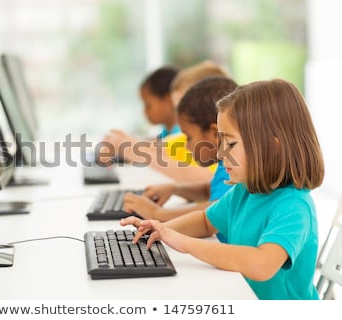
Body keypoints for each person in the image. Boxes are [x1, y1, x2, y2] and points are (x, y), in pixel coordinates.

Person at [121, 79, 325, 300]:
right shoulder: (244, 191)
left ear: (272, 147)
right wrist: (161, 230)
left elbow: (261, 264)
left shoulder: (293, 207)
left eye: (231, 144)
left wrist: (184, 243)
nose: (219, 154)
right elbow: (205, 221)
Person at [123, 77, 238, 224]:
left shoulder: (231, 166)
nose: (186, 145)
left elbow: (216, 209)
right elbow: (209, 190)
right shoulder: (225, 164)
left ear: (215, 134)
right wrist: (175, 188)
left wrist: (158, 213)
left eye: (189, 137)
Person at [101, 60, 230, 183]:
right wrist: (125, 143)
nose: (179, 117)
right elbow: (162, 148)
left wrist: (129, 148)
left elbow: (207, 180)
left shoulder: (228, 157)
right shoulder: (186, 139)